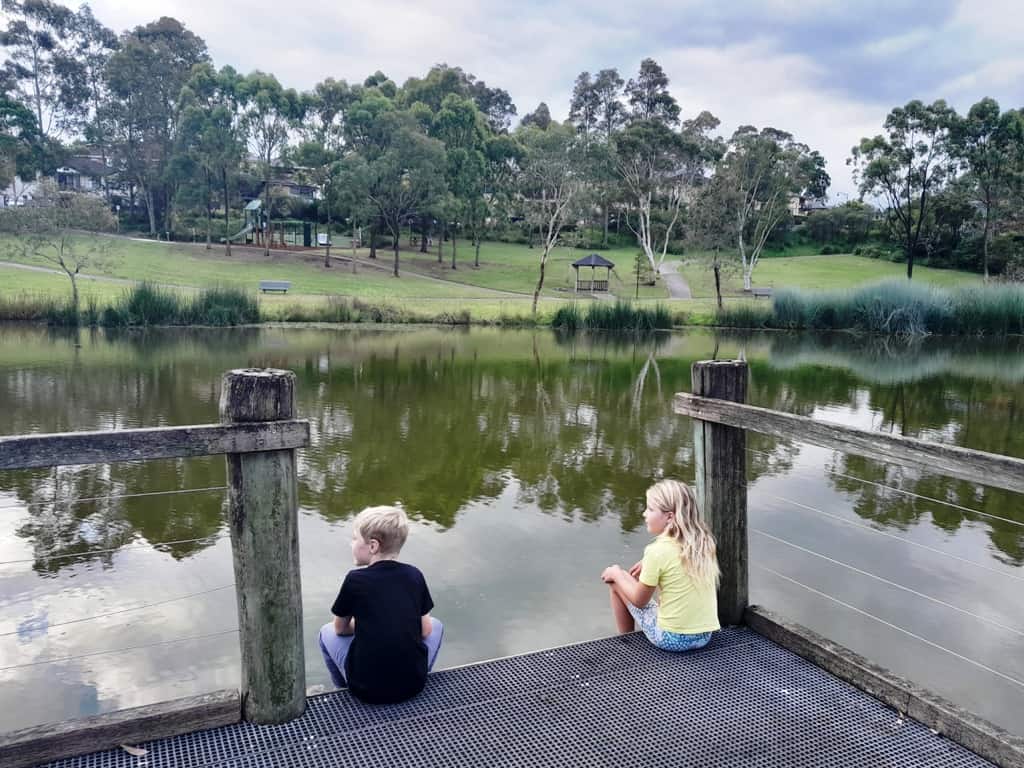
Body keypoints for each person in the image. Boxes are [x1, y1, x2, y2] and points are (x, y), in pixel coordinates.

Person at [318, 505, 443, 704]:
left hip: (365, 689)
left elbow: (340, 629)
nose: (351, 544)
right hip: (414, 685)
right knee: (436, 624)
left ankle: (343, 688)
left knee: (325, 632)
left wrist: (372, 626)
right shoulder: (414, 575)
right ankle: (411, 670)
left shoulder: (355, 580)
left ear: (373, 546)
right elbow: (426, 630)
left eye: (354, 538)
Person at [601, 479, 720, 651]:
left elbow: (639, 601)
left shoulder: (656, 551)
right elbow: (675, 561)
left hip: (673, 639)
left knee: (617, 581)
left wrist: (617, 574)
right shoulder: (704, 544)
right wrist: (647, 563)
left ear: (669, 517)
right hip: (704, 636)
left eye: (650, 509)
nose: (644, 514)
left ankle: (626, 646)